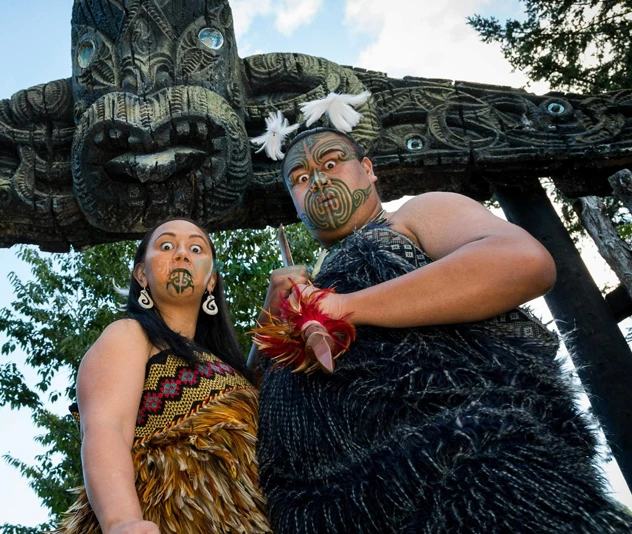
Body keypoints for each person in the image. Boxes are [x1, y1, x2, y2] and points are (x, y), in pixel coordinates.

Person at [253, 127, 632, 532]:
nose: (320, 180)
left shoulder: (414, 216)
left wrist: (347, 306)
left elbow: (521, 261)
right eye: (301, 178)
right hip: (327, 507)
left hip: (466, 466)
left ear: (368, 169)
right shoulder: (306, 284)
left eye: (331, 163)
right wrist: (270, 325)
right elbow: (253, 402)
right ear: (294, 204)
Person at [55, 218, 271, 534]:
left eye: (196, 248)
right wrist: (123, 521)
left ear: (211, 281)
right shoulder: (130, 335)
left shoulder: (229, 369)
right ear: (141, 274)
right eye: (167, 246)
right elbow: (105, 426)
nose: (182, 254)